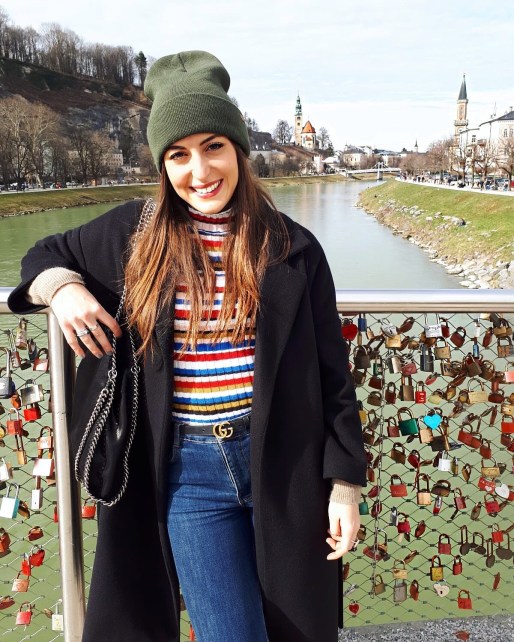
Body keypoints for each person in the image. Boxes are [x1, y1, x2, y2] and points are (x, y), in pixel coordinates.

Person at [8, 51, 366, 642]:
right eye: (178, 154)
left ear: (239, 150)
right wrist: (63, 289)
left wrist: (345, 487)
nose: (199, 171)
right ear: (162, 163)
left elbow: (334, 375)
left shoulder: (293, 246)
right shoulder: (132, 234)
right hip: (188, 476)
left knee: (297, 629)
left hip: (286, 465)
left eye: (213, 146)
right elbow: (44, 255)